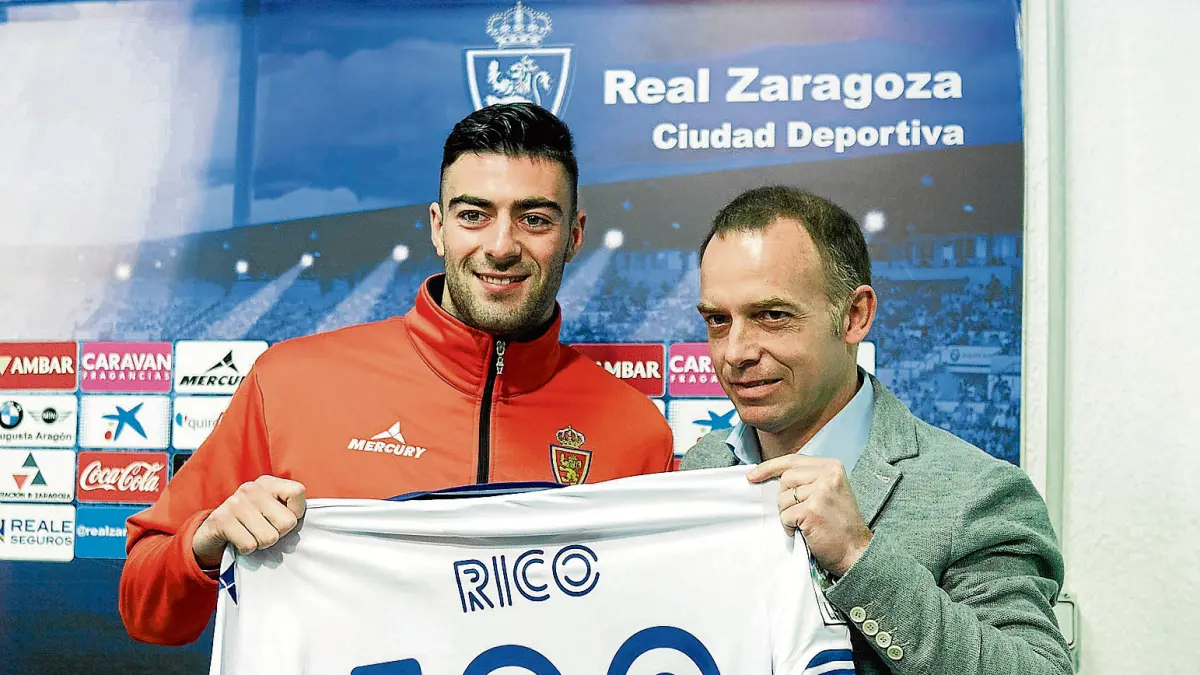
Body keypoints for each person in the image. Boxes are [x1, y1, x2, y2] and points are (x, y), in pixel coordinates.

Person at [119, 102, 675, 646]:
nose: (501, 246)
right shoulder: (290, 383)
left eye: (534, 219)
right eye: (473, 215)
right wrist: (206, 541)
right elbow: (146, 612)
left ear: (574, 235)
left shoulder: (638, 433)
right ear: (438, 227)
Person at [679, 186, 1072, 674]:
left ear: (854, 316)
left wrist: (858, 555)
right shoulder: (702, 467)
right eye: (718, 320)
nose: (736, 352)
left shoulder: (979, 494)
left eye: (772, 316)